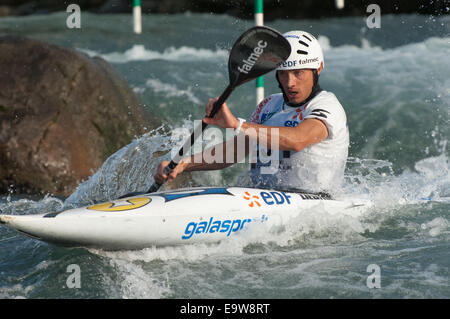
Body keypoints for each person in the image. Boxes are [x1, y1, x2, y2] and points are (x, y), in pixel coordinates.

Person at [154, 30, 349, 195]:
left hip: (315, 202)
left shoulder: (326, 106)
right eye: (283, 73)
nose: (290, 83)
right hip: (261, 196)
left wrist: (237, 125)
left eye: (298, 73)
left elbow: (298, 140)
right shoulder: (269, 105)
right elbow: (234, 151)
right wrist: (184, 164)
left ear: (318, 68)